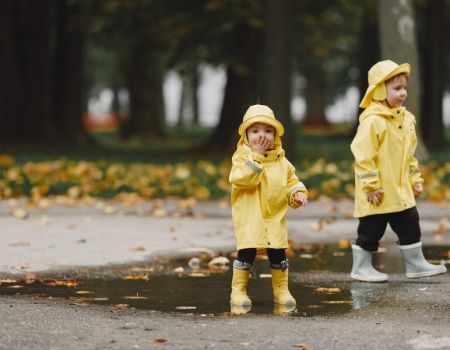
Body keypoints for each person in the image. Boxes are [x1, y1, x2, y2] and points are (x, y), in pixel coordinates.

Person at [350, 60, 447, 282]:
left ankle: (415, 264)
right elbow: (363, 156)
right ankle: (361, 267)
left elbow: (409, 156)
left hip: (400, 190)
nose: (403, 93)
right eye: (396, 88)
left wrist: (415, 179)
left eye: (404, 88)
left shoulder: (406, 120)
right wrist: (371, 186)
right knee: (371, 230)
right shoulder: (372, 122)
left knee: (410, 222)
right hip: (378, 193)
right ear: (380, 90)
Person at [229, 104, 308, 312]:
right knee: (246, 253)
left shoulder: (282, 162)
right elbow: (241, 180)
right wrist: (256, 156)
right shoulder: (241, 158)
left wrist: (297, 193)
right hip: (250, 218)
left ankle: (281, 289)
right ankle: (238, 290)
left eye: (267, 131)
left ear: (276, 136)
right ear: (246, 135)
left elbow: (292, 181)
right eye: (255, 131)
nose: (261, 136)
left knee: (278, 254)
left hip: (274, 217)